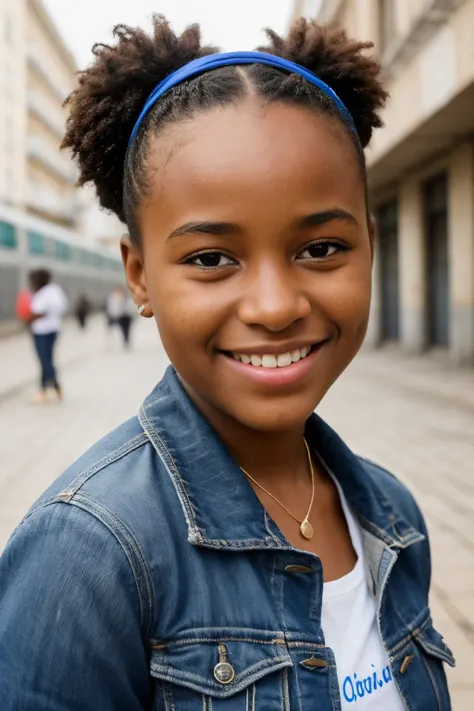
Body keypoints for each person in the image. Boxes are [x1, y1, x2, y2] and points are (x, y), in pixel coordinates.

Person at [0, 17, 454, 711]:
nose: (274, 306)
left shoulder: (391, 514)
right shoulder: (86, 555)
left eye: (321, 248)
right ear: (139, 275)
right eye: (212, 258)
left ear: (370, 244)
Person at [26, 268, 68, 404]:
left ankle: (55, 385)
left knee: (45, 361)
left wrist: (30, 318)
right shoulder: (55, 290)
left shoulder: (44, 293)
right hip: (53, 329)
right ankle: (43, 391)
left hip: (42, 332)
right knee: (47, 360)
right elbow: (62, 306)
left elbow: (37, 312)